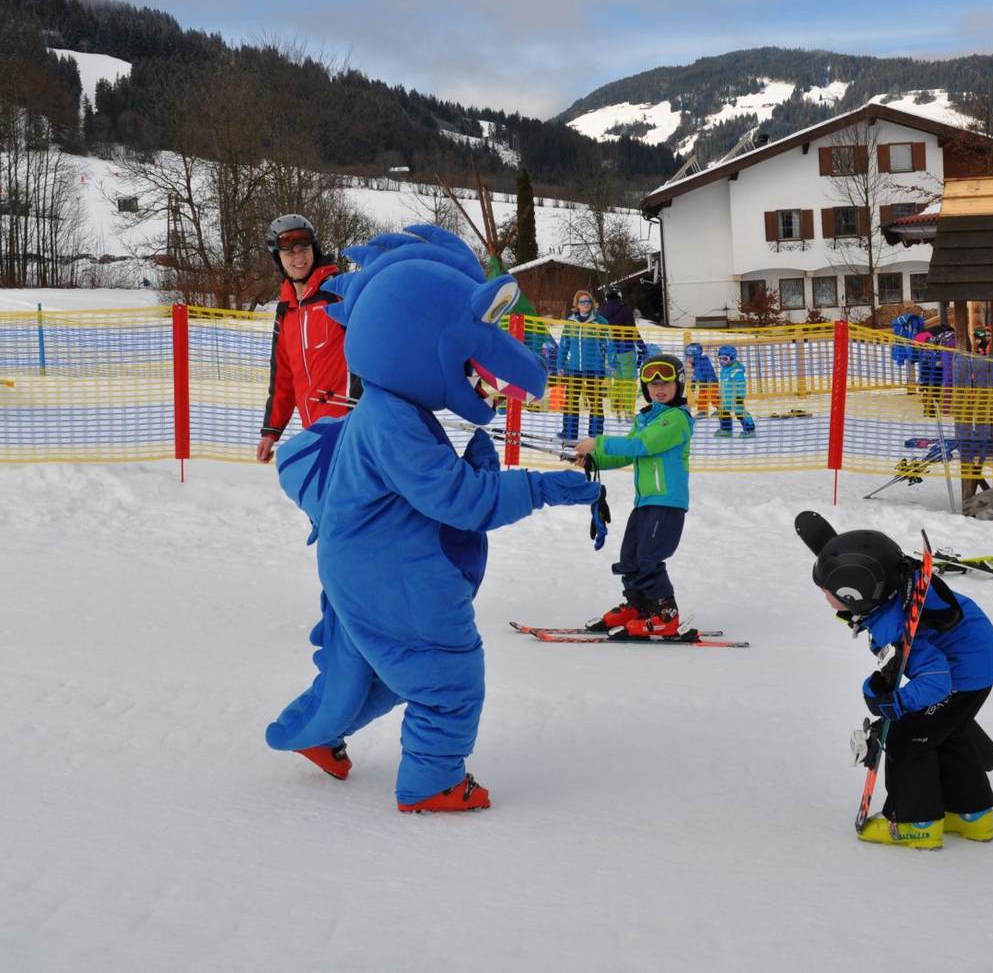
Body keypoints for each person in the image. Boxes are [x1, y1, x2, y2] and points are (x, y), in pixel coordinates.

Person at [266, 226, 602, 813]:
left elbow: (433, 488)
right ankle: (432, 779)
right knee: (446, 675)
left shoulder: (393, 408)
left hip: (373, 561)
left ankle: (318, 729)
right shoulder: (391, 420)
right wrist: (543, 488)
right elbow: (458, 500)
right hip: (388, 568)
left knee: (384, 670)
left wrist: (479, 460)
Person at [796, 516, 993, 849]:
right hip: (978, 663)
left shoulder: (892, 622)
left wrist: (898, 703)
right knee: (949, 735)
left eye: (827, 591)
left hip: (961, 676)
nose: (824, 595)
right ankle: (972, 815)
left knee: (907, 738)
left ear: (855, 595)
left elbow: (936, 681)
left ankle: (916, 822)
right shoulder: (894, 588)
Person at [573, 354, 695, 638]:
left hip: (667, 503)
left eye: (665, 384)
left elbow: (641, 445)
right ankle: (639, 606)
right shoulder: (646, 419)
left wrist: (598, 442)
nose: (659, 389)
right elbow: (629, 453)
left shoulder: (676, 419)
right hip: (645, 502)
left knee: (649, 557)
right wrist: (593, 459)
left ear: (678, 384)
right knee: (630, 556)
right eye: (653, 385)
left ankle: (665, 615)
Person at [256, 214, 354, 465]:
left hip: (353, 427)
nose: (298, 258)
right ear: (278, 258)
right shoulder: (286, 311)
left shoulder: (338, 294)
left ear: (314, 250)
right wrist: (270, 432)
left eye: (304, 249)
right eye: (290, 252)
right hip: (315, 430)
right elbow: (283, 377)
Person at [556, 290, 610, 441]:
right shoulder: (571, 322)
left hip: (595, 368)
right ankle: (569, 433)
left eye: (588, 301)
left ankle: (595, 436)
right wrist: (560, 364)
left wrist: (611, 364)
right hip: (575, 368)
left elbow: (609, 344)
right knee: (571, 400)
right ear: (577, 305)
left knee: (595, 401)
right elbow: (564, 345)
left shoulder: (600, 322)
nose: (586, 304)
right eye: (582, 302)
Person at [598, 287, 641, 421]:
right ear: (619, 296)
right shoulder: (625, 309)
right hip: (626, 349)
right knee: (629, 382)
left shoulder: (600, 312)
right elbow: (632, 330)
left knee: (617, 381)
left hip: (610, 352)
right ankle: (628, 412)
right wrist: (642, 346)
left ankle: (615, 409)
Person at [714, 344, 755, 437]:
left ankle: (750, 430)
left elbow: (741, 384)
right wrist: (719, 394)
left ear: (732, 358)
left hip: (735, 399)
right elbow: (723, 384)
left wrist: (740, 396)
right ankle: (726, 430)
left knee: (740, 413)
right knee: (723, 412)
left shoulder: (737, 371)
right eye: (720, 359)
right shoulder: (724, 370)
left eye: (725, 359)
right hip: (726, 398)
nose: (722, 361)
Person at [683, 341, 718, 416]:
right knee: (702, 397)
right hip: (703, 384)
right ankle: (703, 411)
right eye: (687, 357)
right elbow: (695, 375)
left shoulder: (704, 361)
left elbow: (709, 371)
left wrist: (709, 382)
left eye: (688, 357)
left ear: (695, 356)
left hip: (711, 383)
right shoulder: (695, 365)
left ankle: (720, 409)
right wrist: (693, 384)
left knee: (713, 396)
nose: (687, 360)